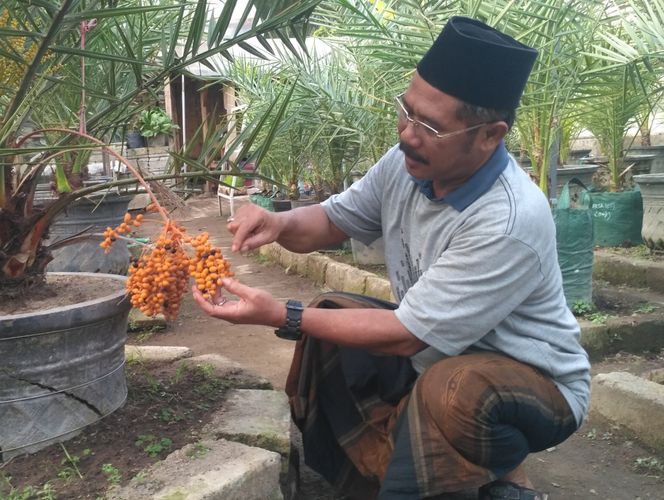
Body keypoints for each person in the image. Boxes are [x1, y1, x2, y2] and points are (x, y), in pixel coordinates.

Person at [192, 16, 590, 500]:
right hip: (436, 353)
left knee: (453, 390)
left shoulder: (509, 219)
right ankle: (386, 473)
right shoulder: (405, 165)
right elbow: (333, 221)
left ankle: (496, 473)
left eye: (430, 127)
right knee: (329, 321)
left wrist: (280, 314)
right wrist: (278, 225)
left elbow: (405, 335)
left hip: (534, 388)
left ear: (489, 135)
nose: (408, 133)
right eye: (406, 111)